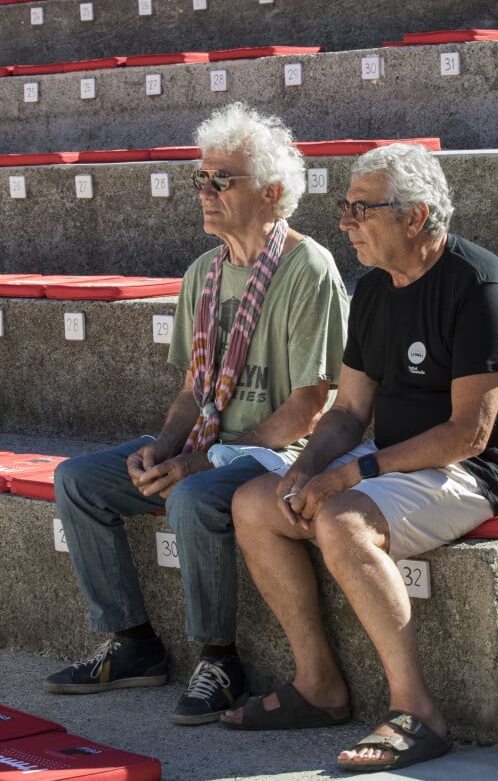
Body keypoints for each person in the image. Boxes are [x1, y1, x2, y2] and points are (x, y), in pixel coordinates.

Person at [222, 143, 498, 773]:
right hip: (404, 456)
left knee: (341, 520)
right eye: (344, 206)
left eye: (360, 209)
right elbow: (348, 413)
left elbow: (469, 435)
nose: (345, 221)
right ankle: (319, 685)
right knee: (254, 502)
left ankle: (418, 711)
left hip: (483, 469)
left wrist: (349, 475)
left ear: (415, 216)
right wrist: (304, 466)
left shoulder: (481, 288)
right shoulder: (375, 288)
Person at [44, 101, 349, 727]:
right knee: (78, 480)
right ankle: (133, 644)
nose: (205, 192)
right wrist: (162, 450)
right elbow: (193, 389)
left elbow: (309, 407)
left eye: (221, 180)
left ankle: (220, 659)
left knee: (192, 497)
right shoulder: (203, 274)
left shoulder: (307, 267)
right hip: (208, 444)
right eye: (199, 179)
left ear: (270, 193)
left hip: (278, 454)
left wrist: (198, 461)